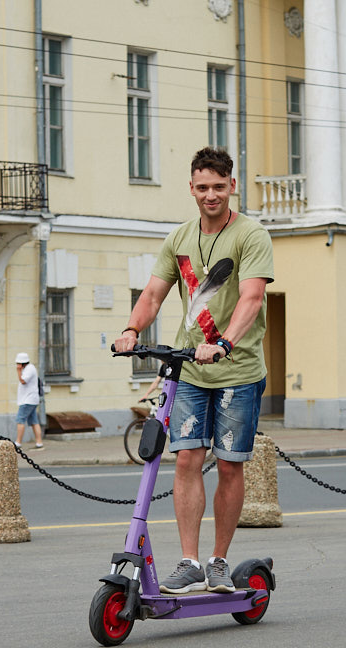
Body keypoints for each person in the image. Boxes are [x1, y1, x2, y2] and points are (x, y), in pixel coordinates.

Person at [113, 146, 273, 595]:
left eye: (218, 187)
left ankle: (218, 561)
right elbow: (153, 293)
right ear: (191, 189)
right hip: (189, 371)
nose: (210, 195)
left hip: (236, 372)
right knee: (185, 458)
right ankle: (189, 562)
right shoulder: (179, 238)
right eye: (202, 188)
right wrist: (130, 328)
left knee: (228, 467)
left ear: (232, 186)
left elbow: (252, 298)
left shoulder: (251, 235)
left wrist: (223, 343)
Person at [13, 352, 44, 449]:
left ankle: (18, 442)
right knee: (34, 421)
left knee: (20, 420)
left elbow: (23, 381)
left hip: (28, 400)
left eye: (18, 364)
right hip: (30, 399)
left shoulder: (29, 369)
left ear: (22, 363)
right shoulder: (29, 368)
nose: (17, 365)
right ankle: (39, 442)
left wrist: (18, 371)